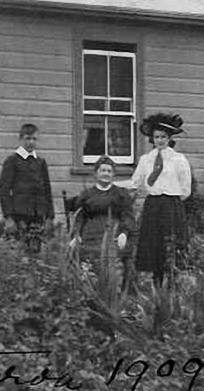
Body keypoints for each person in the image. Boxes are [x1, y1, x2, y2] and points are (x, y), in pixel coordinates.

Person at [116, 113, 191, 288]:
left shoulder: (179, 160)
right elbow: (135, 183)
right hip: (153, 205)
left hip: (172, 206)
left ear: (169, 138)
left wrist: (171, 198)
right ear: (152, 139)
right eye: (156, 137)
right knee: (154, 244)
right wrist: (112, 184)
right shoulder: (146, 160)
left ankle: (172, 284)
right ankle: (156, 284)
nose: (160, 140)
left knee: (171, 244)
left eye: (163, 137)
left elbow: (186, 189)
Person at [68, 156, 136, 294]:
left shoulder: (121, 194)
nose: (105, 173)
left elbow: (127, 217)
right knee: (78, 253)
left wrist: (124, 233)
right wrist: (76, 235)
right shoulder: (87, 195)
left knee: (123, 256)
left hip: (114, 232)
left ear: (113, 174)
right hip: (91, 233)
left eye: (109, 171)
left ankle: (120, 293)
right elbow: (80, 217)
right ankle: (88, 291)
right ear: (96, 173)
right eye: (102, 170)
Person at [0, 123, 54, 252]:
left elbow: (47, 190)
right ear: (21, 139)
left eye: (34, 139)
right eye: (28, 138)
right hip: (19, 215)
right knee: (19, 251)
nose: (31, 142)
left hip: (37, 215)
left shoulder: (40, 162)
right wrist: (8, 217)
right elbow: (4, 191)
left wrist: (50, 216)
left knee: (35, 251)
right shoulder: (12, 161)